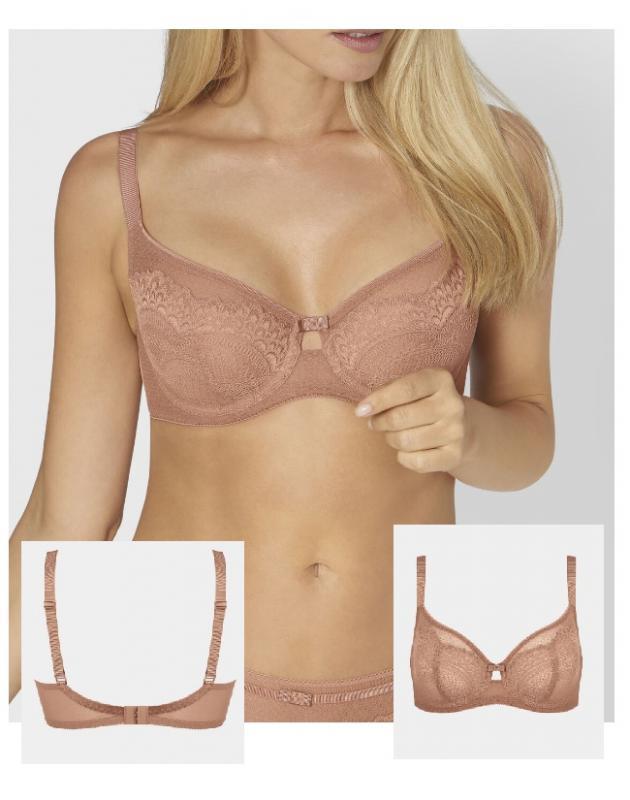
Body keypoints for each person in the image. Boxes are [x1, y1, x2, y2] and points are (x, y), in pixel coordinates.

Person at [9, 29, 560, 721]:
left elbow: (530, 432)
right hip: (169, 687)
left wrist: (470, 434)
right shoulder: (116, 184)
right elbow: (67, 520)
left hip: (419, 700)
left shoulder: (487, 158)